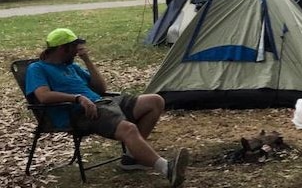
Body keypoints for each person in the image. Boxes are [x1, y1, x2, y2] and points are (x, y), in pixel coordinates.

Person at [25, 28, 189, 187]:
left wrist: (87, 60)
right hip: (79, 113)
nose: (77, 51)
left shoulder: (72, 67)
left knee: (155, 101)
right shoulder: (37, 68)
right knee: (129, 129)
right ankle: (167, 168)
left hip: (103, 102)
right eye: (74, 47)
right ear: (62, 48)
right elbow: (43, 96)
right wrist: (78, 98)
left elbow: (101, 89)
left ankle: (132, 158)